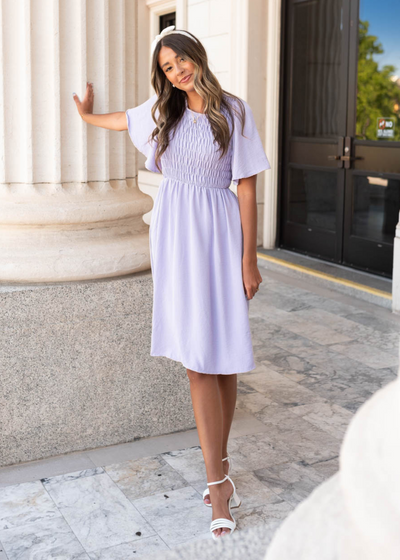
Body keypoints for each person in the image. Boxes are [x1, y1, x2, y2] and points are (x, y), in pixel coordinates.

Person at [73, 25, 270, 540]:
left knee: (222, 358)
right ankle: (217, 481)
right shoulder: (165, 111)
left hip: (220, 235)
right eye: (166, 67)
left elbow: (246, 189)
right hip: (176, 239)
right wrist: (86, 115)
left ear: (196, 57)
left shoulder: (235, 110)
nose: (176, 70)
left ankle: (219, 474)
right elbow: (121, 121)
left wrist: (248, 261)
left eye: (180, 60)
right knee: (197, 361)